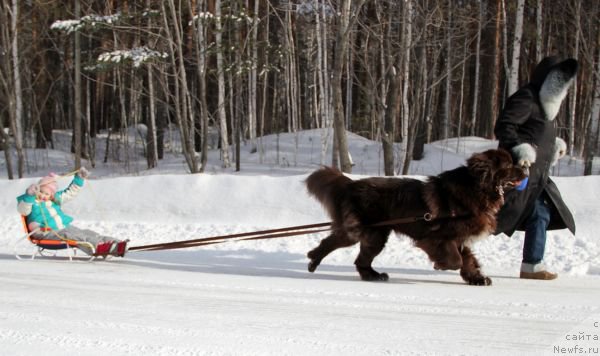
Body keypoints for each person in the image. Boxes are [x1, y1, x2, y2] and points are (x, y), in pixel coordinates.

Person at [494, 56, 577, 280]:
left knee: (540, 214)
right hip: (517, 174)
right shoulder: (527, 98)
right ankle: (454, 248)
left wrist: (553, 146)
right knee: (489, 216)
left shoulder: (545, 105)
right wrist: (519, 150)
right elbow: (505, 125)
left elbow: (536, 132)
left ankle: (532, 265)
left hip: (537, 177)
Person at [17, 167, 128, 258]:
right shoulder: (29, 201)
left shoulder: (54, 200)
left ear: (51, 195)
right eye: (41, 191)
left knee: (87, 233)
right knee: (72, 236)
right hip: (45, 232)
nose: (43, 195)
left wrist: (78, 179)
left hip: (63, 227)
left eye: (47, 194)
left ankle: (115, 244)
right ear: (37, 189)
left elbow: (69, 193)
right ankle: (100, 248)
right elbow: (23, 211)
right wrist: (29, 196)